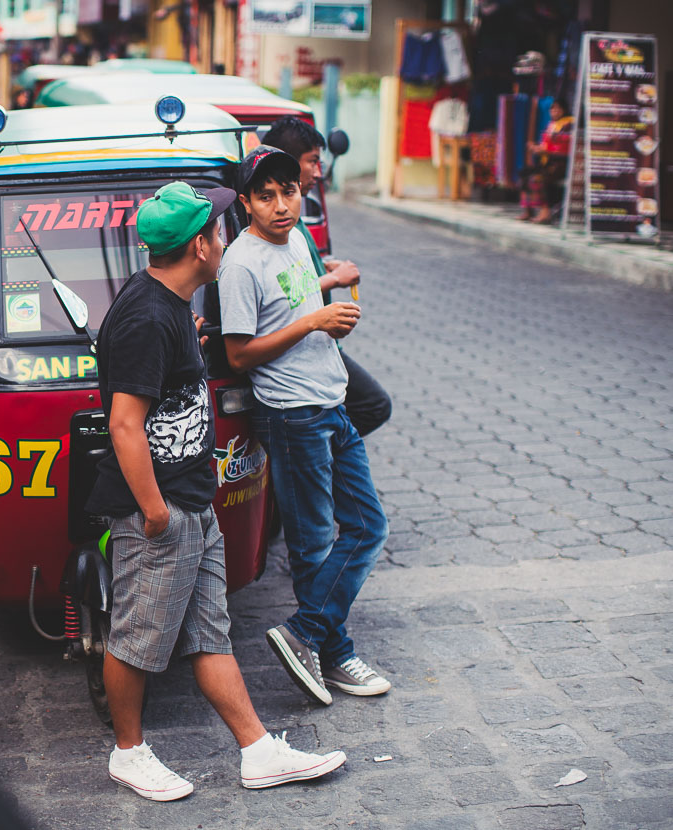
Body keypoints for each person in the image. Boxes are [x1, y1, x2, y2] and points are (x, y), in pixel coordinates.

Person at [86, 181, 346, 801]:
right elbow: (124, 424)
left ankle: (257, 750)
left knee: (209, 634)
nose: (227, 237)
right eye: (220, 230)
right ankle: (128, 753)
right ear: (200, 245)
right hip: (162, 507)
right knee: (138, 637)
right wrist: (153, 511)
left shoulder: (172, 304)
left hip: (191, 500)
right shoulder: (147, 317)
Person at [218, 147, 391, 707]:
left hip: (331, 400)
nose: (280, 205)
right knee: (315, 542)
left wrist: (327, 309)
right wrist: (315, 319)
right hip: (291, 414)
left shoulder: (297, 241)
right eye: (265, 196)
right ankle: (333, 653)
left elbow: (294, 304)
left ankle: (306, 633)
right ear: (246, 203)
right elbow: (240, 353)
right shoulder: (241, 264)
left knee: (368, 526)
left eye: (288, 191)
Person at [261, 115, 392, 438]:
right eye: (312, 162)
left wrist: (324, 266)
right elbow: (283, 288)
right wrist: (333, 280)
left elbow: (294, 270)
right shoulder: (276, 222)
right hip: (297, 352)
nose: (318, 172)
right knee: (374, 405)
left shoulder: (295, 215)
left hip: (318, 345)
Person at [519, 99, 573, 224]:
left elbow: (563, 146)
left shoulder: (568, 124)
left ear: (564, 110)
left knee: (539, 178)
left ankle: (546, 212)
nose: (555, 111)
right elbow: (547, 143)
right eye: (552, 109)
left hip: (562, 163)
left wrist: (544, 151)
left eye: (558, 108)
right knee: (524, 173)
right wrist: (536, 147)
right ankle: (528, 210)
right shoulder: (552, 125)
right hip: (549, 160)